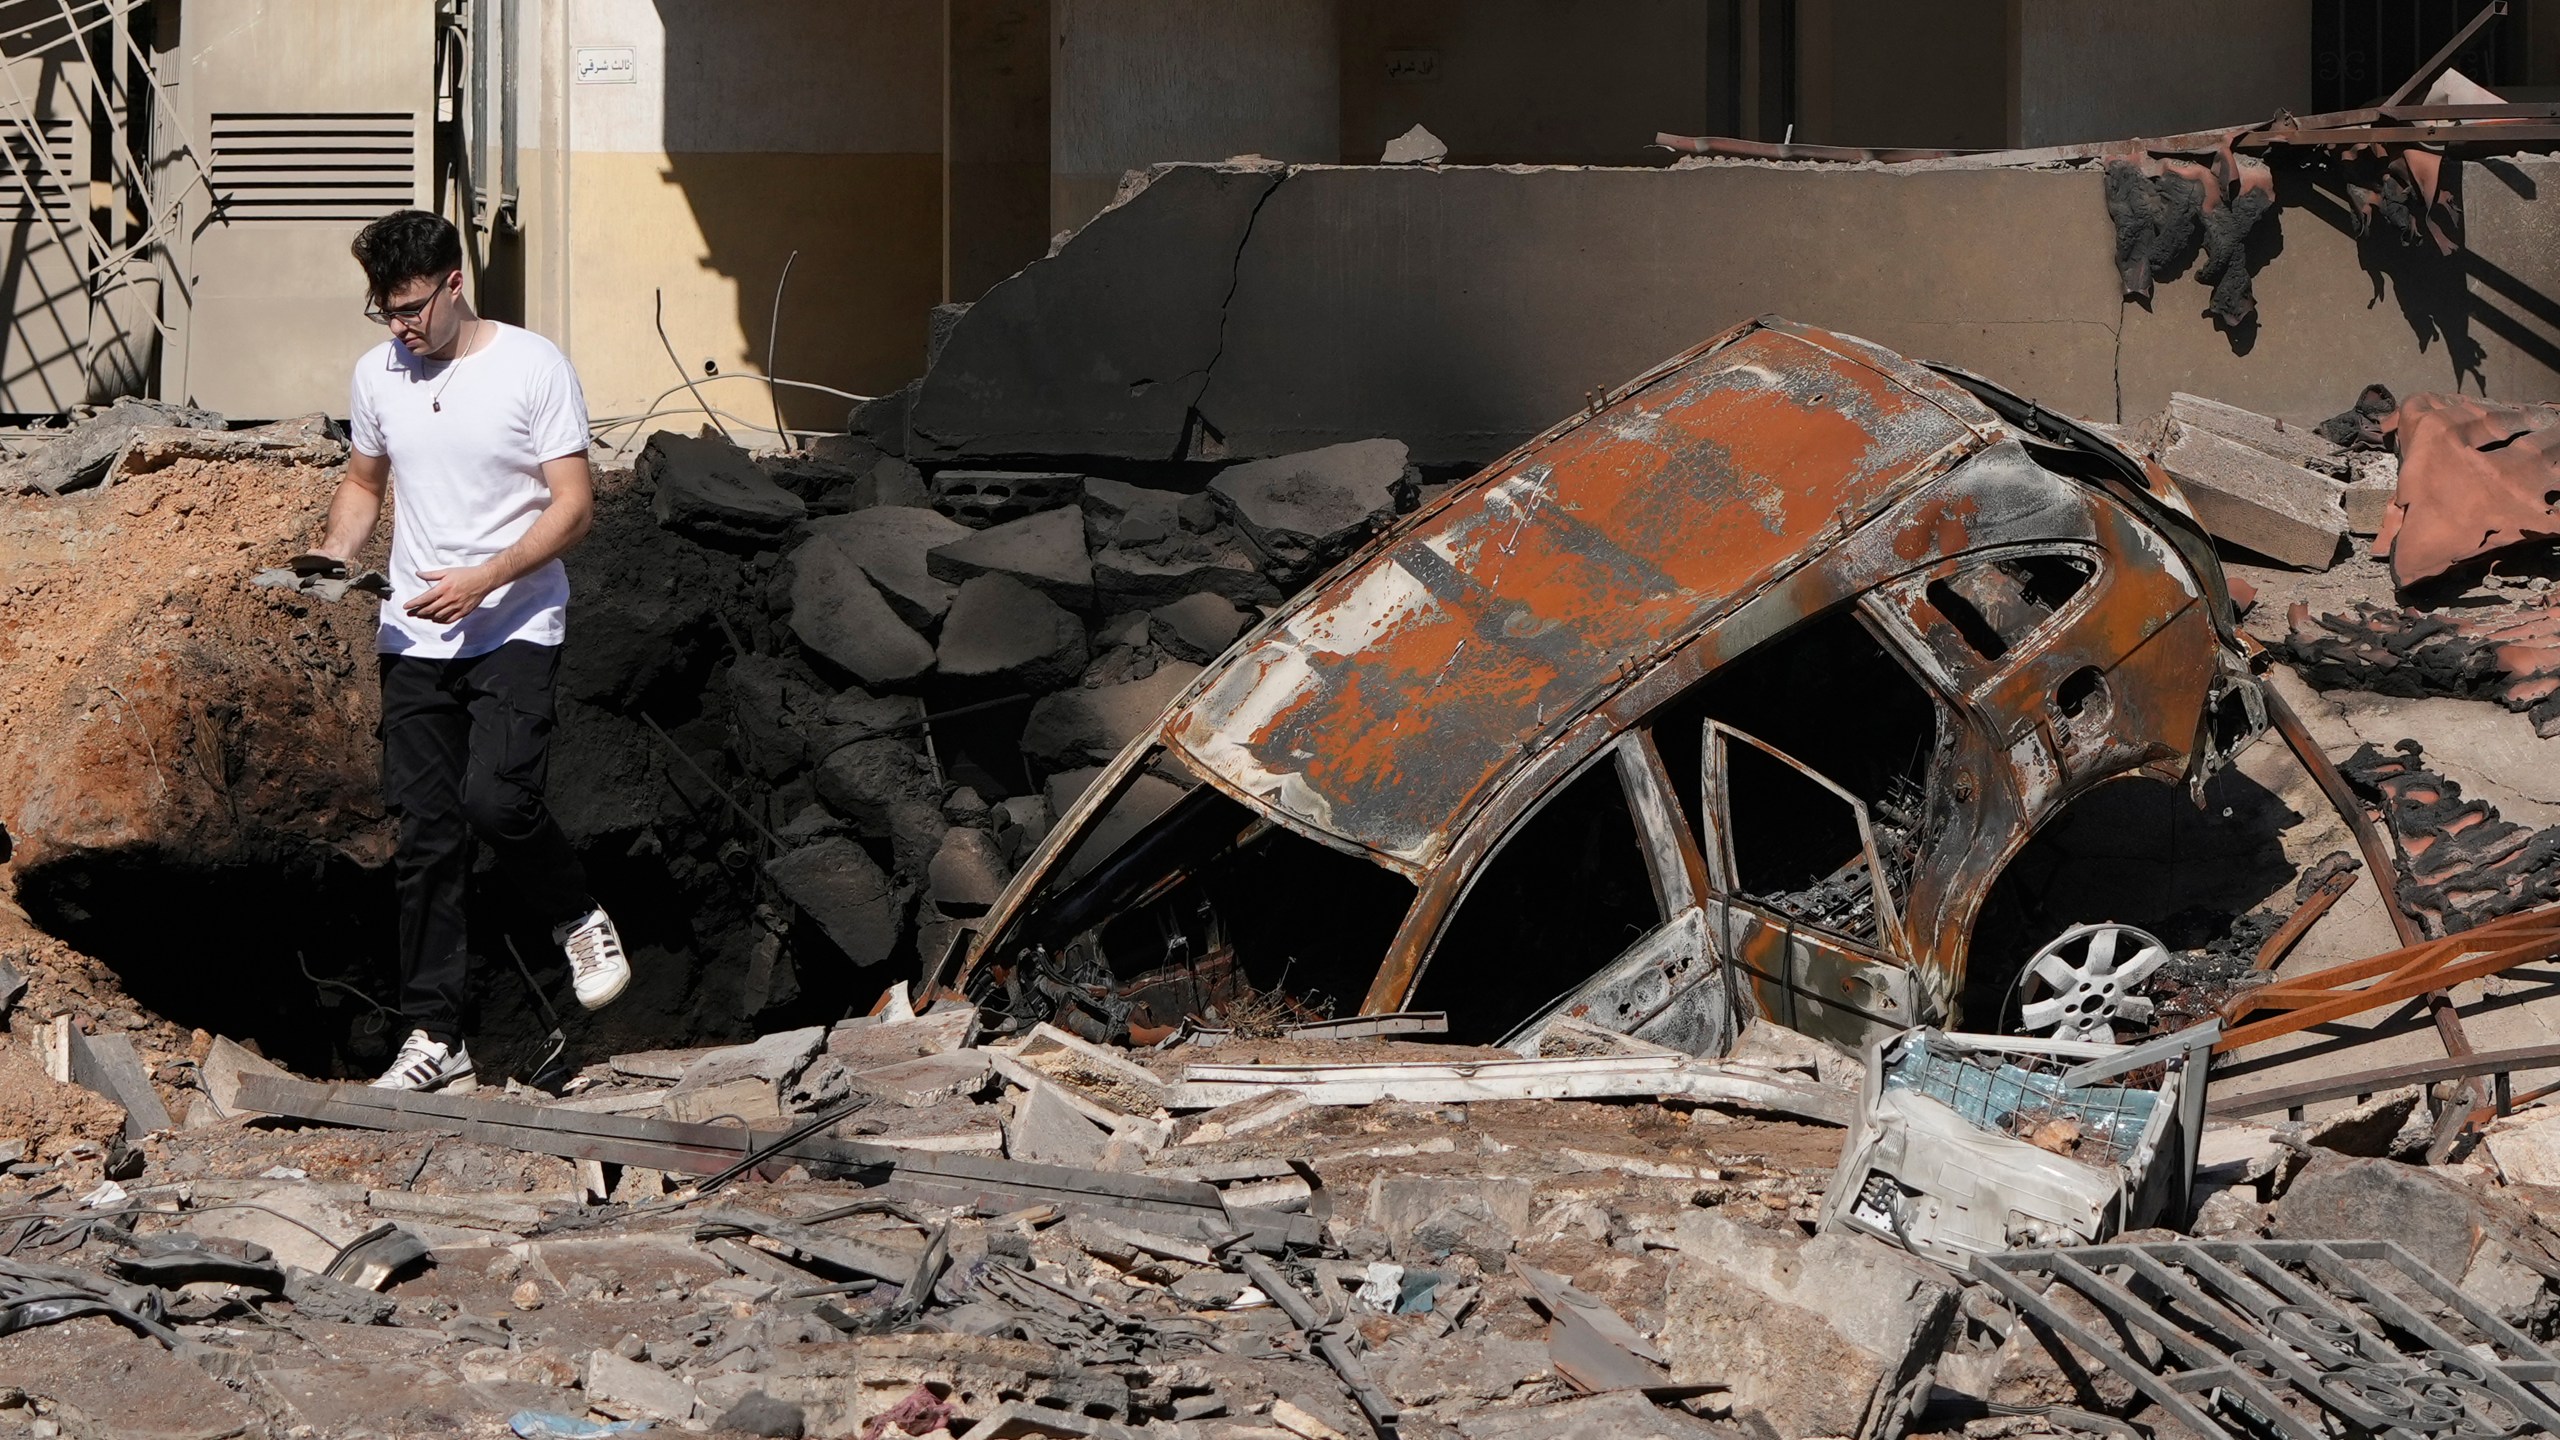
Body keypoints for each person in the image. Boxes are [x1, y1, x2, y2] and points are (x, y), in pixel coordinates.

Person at [309, 209, 629, 1091]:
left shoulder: (532, 366)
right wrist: (335, 555)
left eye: (412, 307)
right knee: (425, 837)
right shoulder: (379, 372)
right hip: (414, 632)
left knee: (495, 800)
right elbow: (363, 483)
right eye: (385, 311)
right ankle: (435, 1037)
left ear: (455, 283)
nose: (401, 328)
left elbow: (574, 503)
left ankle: (575, 915)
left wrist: (486, 577)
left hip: (514, 621)